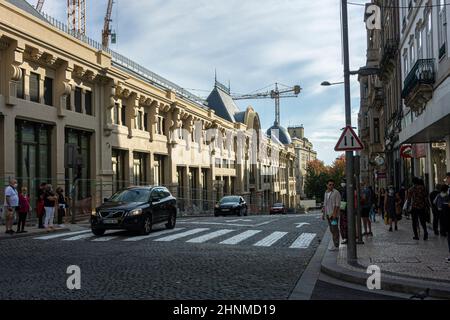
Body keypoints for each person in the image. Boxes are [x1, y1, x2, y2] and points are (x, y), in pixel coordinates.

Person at [322, 179, 341, 251]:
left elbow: (337, 205)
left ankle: (336, 245)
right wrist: (323, 214)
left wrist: (334, 214)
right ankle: (335, 243)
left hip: (334, 216)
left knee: (335, 229)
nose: (331, 186)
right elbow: (325, 204)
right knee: (331, 229)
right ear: (327, 185)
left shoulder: (336, 193)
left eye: (333, 184)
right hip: (328, 214)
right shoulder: (326, 193)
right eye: (330, 184)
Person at [339, 179, 348, 244]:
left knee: (343, 224)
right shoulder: (344, 189)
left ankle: (345, 238)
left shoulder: (345, 190)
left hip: (344, 209)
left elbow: (343, 201)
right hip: (344, 209)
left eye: (343, 182)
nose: (342, 183)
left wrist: (341, 209)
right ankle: (345, 237)